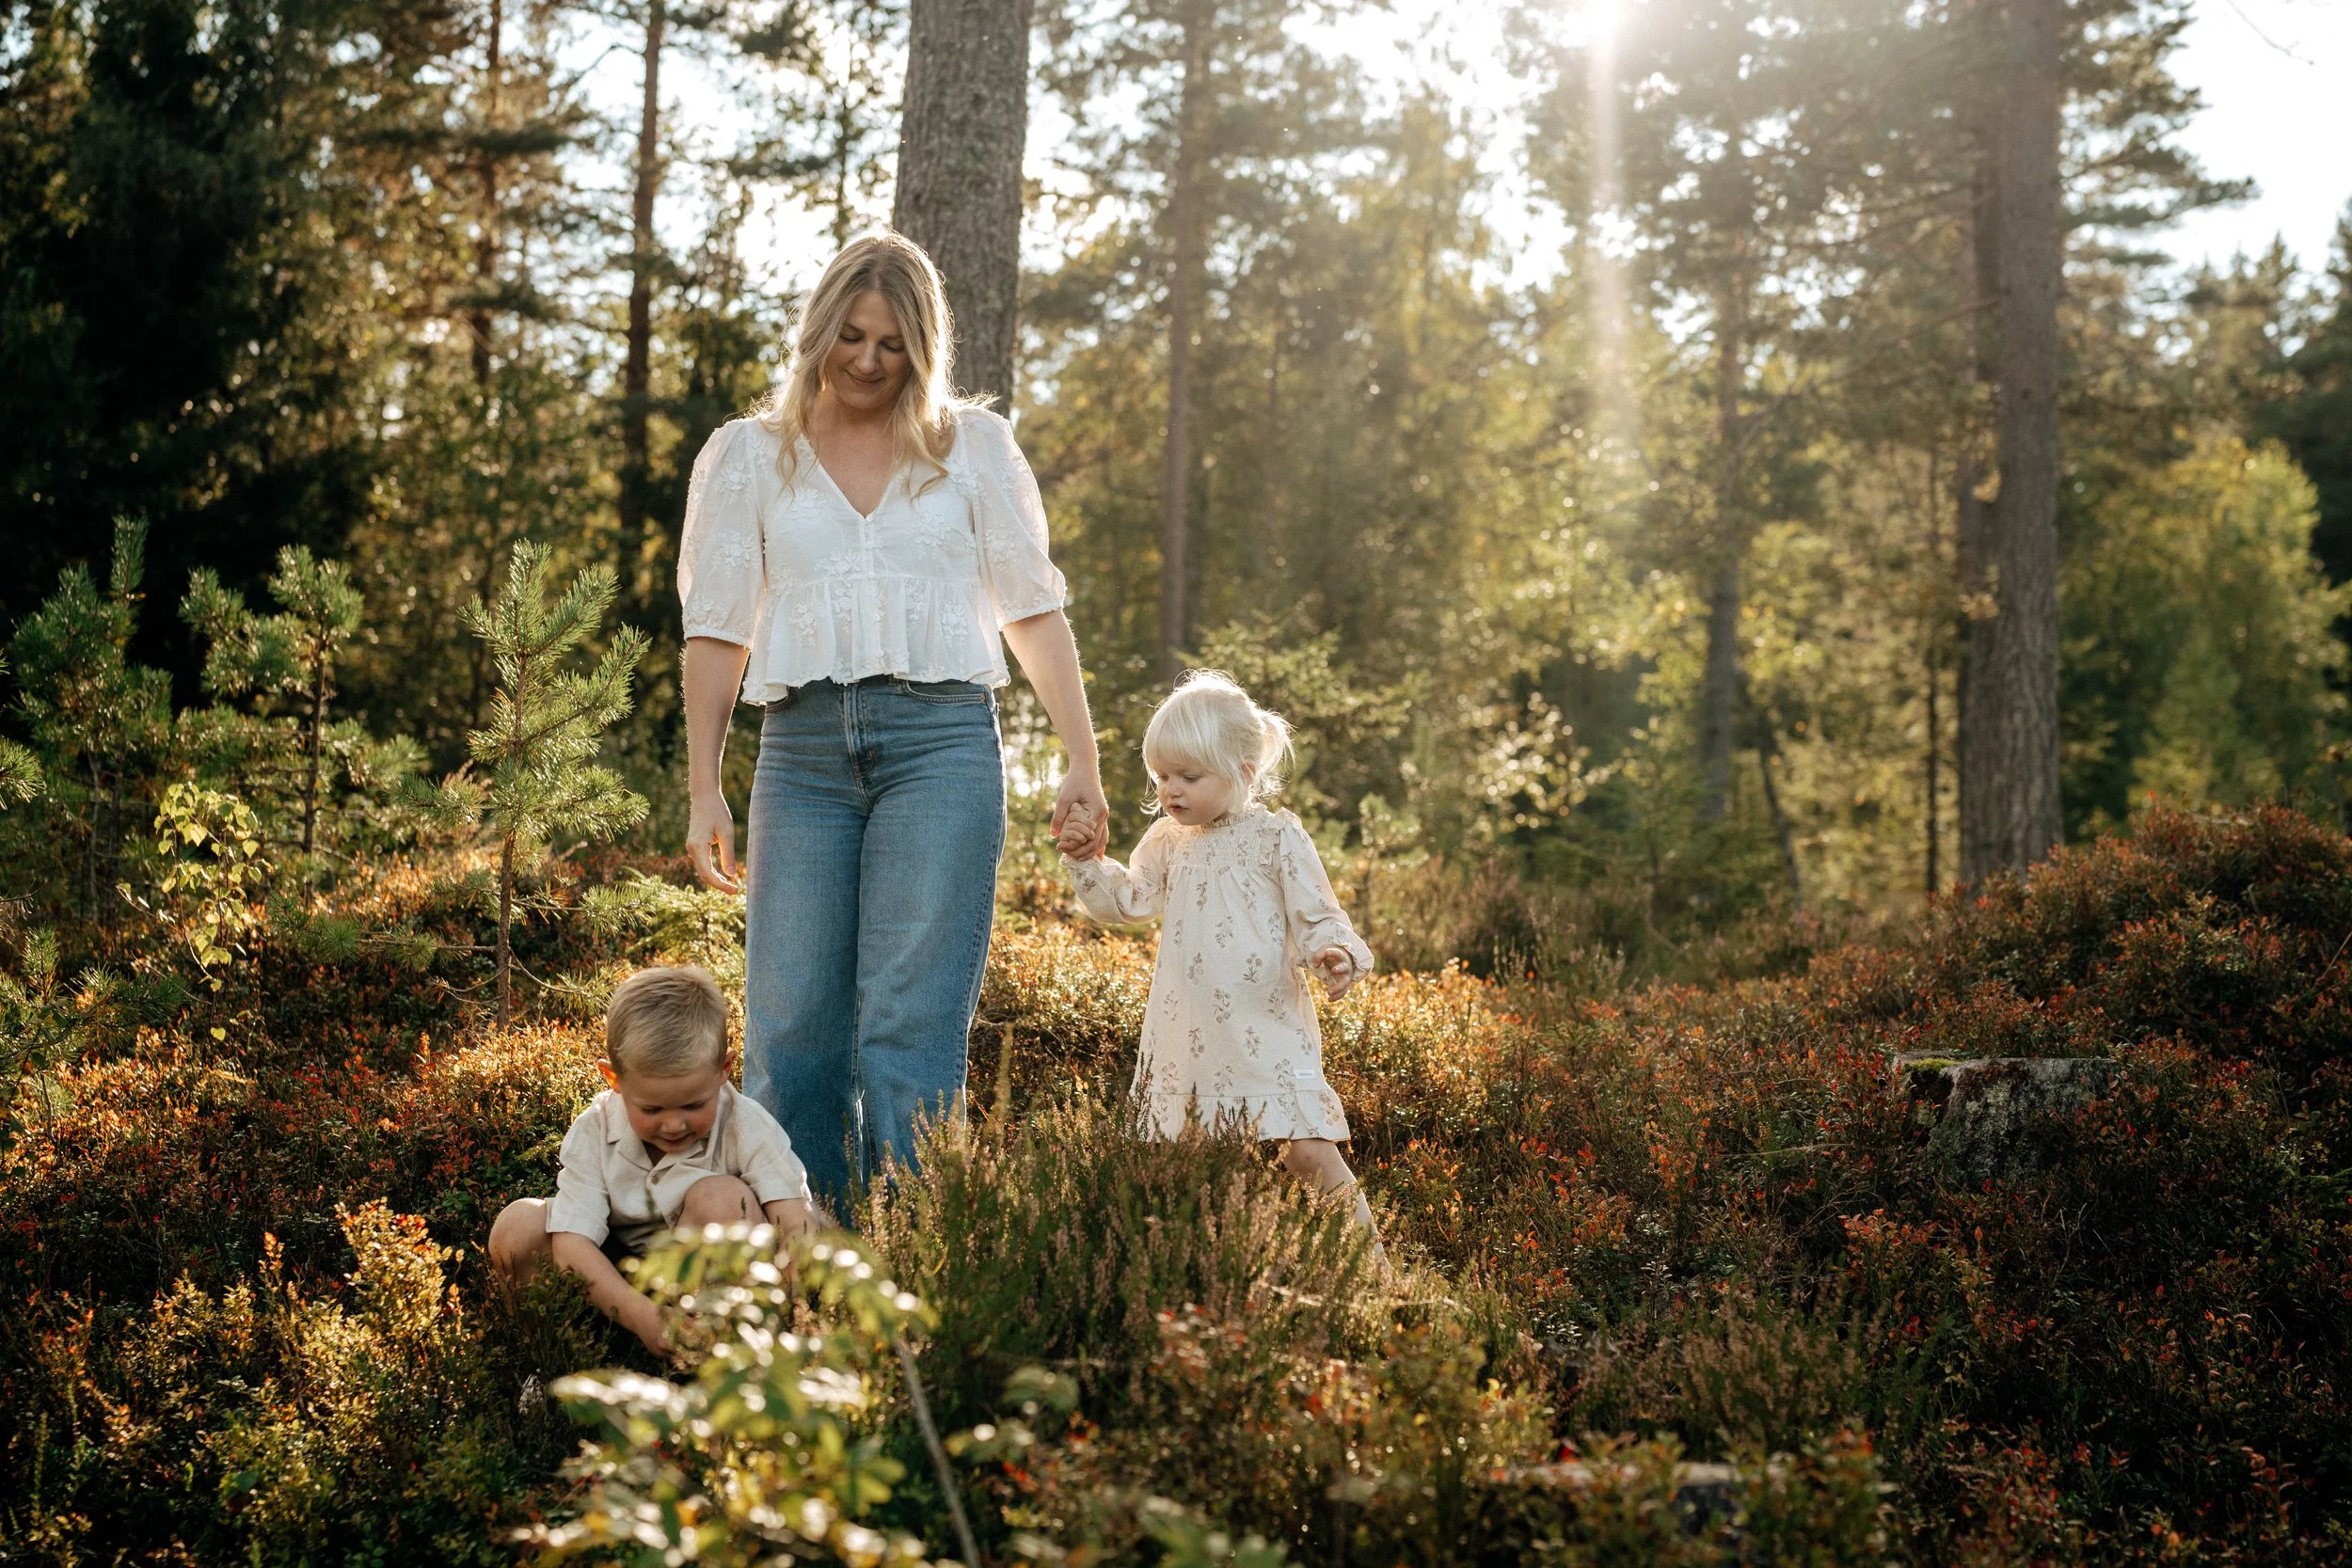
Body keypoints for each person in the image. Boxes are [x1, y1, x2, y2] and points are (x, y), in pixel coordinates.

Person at [675, 232, 1108, 1203]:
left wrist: (1082, 756)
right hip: (802, 755)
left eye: (893, 344)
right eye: (852, 336)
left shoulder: (973, 449)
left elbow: (1032, 610)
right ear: (818, 331)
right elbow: (716, 631)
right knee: (791, 1025)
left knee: (908, 1029)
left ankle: (907, 1275)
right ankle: (805, 1267)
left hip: (940, 747)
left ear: (924, 349)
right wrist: (705, 785)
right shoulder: (751, 456)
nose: (868, 360)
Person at [1055, 670, 1379, 1233]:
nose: (1169, 790)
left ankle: (1378, 1280)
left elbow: (1317, 913)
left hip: (1266, 1025)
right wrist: (1087, 862)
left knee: (1308, 1151)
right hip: (1186, 1032)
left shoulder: (1275, 837)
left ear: (1242, 773)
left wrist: (1333, 951)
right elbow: (1125, 902)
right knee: (1178, 1159)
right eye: (1160, 776)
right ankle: (1190, 1276)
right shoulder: (1166, 841)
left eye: (1188, 775)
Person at [488, 966, 816, 1357]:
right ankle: (550, 1359)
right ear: (614, 1080)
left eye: (694, 1105)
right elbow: (572, 1244)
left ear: (723, 1071)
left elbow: (794, 1216)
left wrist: (794, 1307)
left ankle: (729, 1357)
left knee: (725, 1198)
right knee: (517, 1227)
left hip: (711, 1284)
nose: (674, 1124)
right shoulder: (595, 1130)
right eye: (652, 1108)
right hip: (616, 1284)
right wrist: (641, 1315)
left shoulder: (746, 1124)